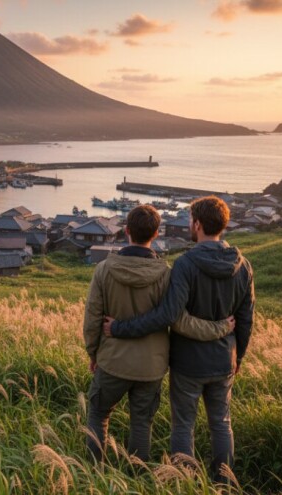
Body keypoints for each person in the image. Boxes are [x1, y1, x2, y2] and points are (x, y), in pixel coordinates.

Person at [103, 196, 254, 483]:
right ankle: (223, 484)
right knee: (222, 424)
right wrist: (239, 357)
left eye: (189, 220)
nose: (188, 224)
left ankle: (182, 482)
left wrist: (120, 328)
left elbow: (168, 315)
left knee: (184, 426)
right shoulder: (243, 266)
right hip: (224, 360)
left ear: (197, 224)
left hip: (187, 362)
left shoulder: (185, 264)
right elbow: (246, 319)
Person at [84, 204, 234, 463]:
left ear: (127, 231)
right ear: (156, 234)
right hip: (152, 367)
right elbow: (177, 319)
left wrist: (93, 352)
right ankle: (136, 475)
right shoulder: (166, 274)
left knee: (98, 414)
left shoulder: (104, 270)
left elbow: (92, 319)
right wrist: (221, 328)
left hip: (112, 360)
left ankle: (91, 471)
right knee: (142, 422)